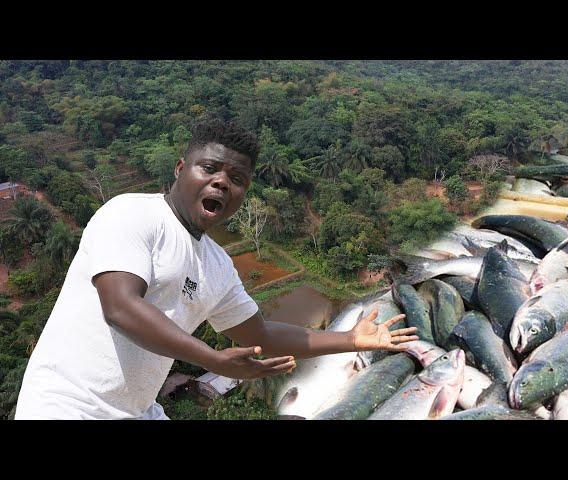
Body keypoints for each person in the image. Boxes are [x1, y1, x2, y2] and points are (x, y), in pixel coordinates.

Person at [14, 115, 418, 420]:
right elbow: (120, 306)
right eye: (209, 169)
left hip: (136, 410)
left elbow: (259, 332)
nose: (222, 182)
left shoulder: (217, 266)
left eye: (237, 178)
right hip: (66, 403)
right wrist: (210, 358)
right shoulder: (131, 214)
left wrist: (351, 340)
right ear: (179, 169)